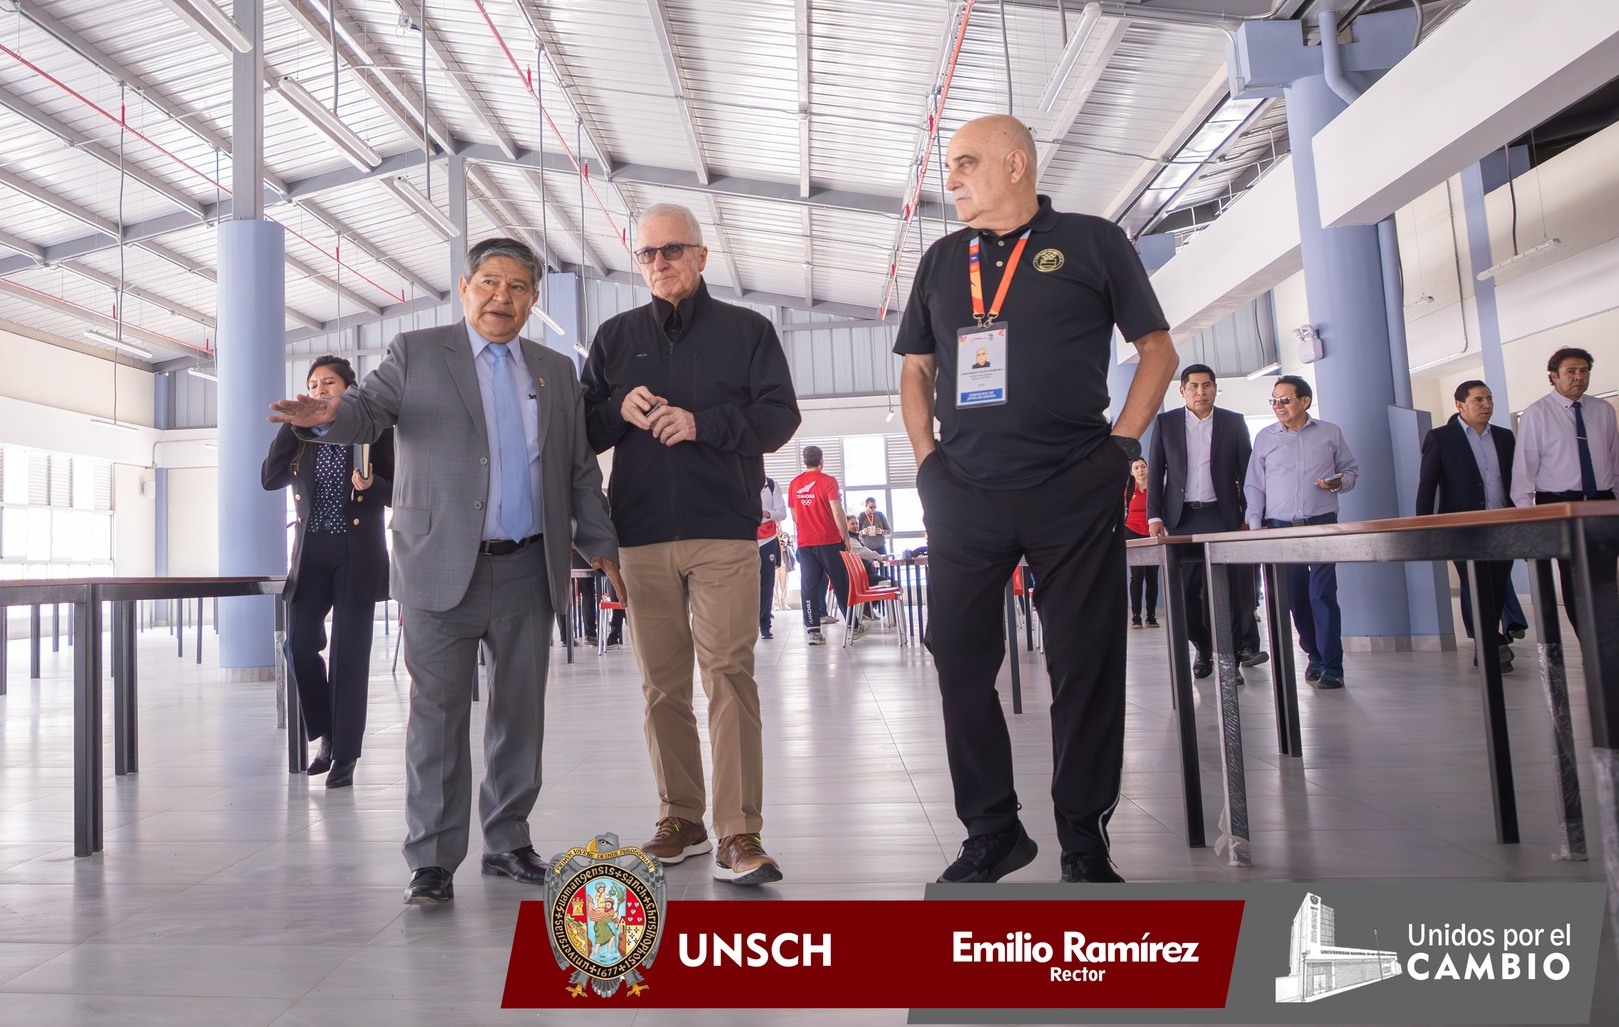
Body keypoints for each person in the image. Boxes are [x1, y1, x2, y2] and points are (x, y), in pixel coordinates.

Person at [268, 237, 622, 906]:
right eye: (488, 282)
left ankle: (508, 839)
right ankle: (431, 856)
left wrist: (599, 541)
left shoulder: (553, 370)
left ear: (532, 299)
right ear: (464, 288)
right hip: (438, 563)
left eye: (516, 287)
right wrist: (326, 419)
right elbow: (366, 411)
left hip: (528, 565)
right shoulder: (417, 352)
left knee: (519, 714)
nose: (501, 297)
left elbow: (578, 468)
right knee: (436, 715)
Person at [895, 114, 1178, 885]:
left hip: (1071, 485)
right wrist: (926, 462)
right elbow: (916, 367)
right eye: (950, 166)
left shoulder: (1092, 242)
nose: (951, 178)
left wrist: (1120, 447)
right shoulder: (942, 260)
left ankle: (1083, 840)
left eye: (965, 162)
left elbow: (1157, 350)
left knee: (1084, 661)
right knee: (958, 657)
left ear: (1015, 164)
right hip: (964, 491)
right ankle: (992, 830)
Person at [582, 203, 800, 887]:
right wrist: (615, 409)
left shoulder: (747, 330)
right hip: (640, 534)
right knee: (661, 686)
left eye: (672, 249)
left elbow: (779, 418)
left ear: (702, 256)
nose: (660, 263)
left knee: (729, 674)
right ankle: (680, 818)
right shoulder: (615, 337)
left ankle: (739, 831)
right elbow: (580, 430)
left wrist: (704, 424)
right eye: (647, 253)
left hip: (722, 531)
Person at [262, 355, 393, 789]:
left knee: (348, 656)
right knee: (298, 646)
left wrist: (373, 486)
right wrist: (293, 424)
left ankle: (345, 754)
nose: (320, 390)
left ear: (349, 390)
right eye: (314, 384)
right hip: (311, 554)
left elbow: (403, 489)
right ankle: (325, 732)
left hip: (357, 555)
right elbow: (270, 478)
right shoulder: (302, 436)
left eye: (329, 383)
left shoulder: (375, 431)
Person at [1145, 364, 1265, 676]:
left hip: (1222, 516)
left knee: (1229, 589)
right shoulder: (1166, 423)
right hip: (1181, 518)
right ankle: (1201, 647)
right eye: (1194, 386)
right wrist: (1154, 516)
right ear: (1182, 391)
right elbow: (1155, 472)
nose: (1201, 392)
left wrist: (1250, 514)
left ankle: (1232, 658)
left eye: (1207, 385)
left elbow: (1248, 473)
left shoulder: (1233, 422)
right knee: (1187, 593)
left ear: (1214, 389)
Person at [1245, 375, 1358, 690]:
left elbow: (1351, 472)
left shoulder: (1329, 433)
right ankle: (1314, 656)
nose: (1278, 406)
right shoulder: (1265, 438)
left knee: (1321, 594)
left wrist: (1338, 482)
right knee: (1296, 597)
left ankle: (1333, 666)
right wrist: (1255, 525)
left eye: (1285, 399)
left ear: (1304, 401)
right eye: (1274, 400)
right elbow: (1255, 484)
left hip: (1322, 522)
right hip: (1280, 528)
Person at [1510, 347, 1619, 636]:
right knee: (1574, 578)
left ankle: (1609, 644)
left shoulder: (1603, 410)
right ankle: (1589, 644)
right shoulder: (1537, 414)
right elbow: (1523, 474)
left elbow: (1614, 461)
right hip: (1559, 503)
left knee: (1606, 577)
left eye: (1584, 371)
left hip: (1602, 501)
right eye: (1571, 371)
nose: (1579, 377)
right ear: (1553, 376)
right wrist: (1532, 522)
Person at [1415, 380, 1518, 671]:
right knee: (1475, 584)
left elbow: (1515, 481)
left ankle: (1489, 641)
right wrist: (1423, 528)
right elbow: (1427, 485)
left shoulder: (1504, 436)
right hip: (1462, 526)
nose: (1487, 405)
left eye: (1489, 398)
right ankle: (1489, 645)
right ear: (1460, 405)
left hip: (1503, 524)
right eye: (1478, 400)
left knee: (1498, 585)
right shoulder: (1441, 437)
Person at [791, 445, 861, 644]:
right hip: (829, 541)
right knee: (841, 583)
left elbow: (794, 515)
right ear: (821, 460)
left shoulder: (795, 483)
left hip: (805, 544)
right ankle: (853, 625)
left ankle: (814, 631)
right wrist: (845, 537)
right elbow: (838, 512)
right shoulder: (828, 481)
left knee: (809, 587)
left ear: (804, 461)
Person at [1122, 458, 1159, 629]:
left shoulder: (1157, 489)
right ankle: (1136, 617)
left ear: (1147, 469)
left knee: (1152, 576)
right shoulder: (1128, 490)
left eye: (1143, 466)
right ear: (1132, 472)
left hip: (1152, 534)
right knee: (1137, 575)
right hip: (1132, 533)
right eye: (1136, 468)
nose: (1140, 470)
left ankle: (1151, 616)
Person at [758, 476, 787, 639]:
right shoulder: (737, 481)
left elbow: (782, 513)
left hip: (767, 540)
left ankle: (764, 623)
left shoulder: (770, 485)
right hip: (743, 539)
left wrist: (766, 513)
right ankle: (747, 623)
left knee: (767, 583)